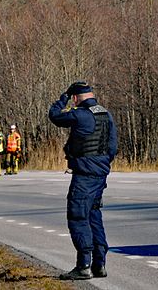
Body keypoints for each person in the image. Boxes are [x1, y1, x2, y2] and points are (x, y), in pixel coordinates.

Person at [49, 81, 117, 281]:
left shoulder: (79, 114)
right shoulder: (105, 114)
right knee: (93, 216)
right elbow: (112, 147)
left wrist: (63, 97)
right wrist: (101, 163)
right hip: (100, 174)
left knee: (78, 217)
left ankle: (83, 266)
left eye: (73, 99)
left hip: (85, 175)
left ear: (76, 98)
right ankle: (99, 264)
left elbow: (54, 115)